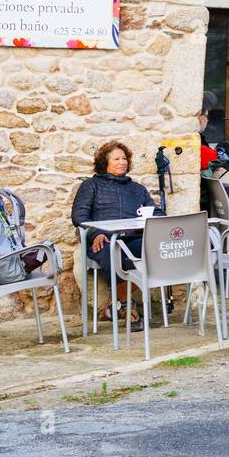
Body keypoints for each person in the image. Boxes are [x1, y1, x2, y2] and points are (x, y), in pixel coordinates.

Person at [70, 140, 164, 330]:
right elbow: (79, 216)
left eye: (124, 158)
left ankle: (117, 300)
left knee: (156, 249)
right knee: (112, 251)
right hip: (103, 240)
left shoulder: (137, 189)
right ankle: (127, 306)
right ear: (105, 162)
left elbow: (156, 213)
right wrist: (95, 233)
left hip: (133, 238)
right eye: (116, 159)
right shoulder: (91, 185)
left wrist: (156, 219)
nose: (122, 162)